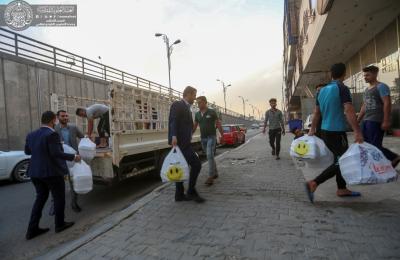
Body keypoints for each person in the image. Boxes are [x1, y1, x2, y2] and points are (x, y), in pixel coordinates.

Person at [305, 63, 363, 203]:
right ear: (344, 74)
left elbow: (316, 113)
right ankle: (314, 183)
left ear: (331, 74)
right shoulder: (342, 88)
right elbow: (348, 110)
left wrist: (312, 129)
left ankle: (341, 188)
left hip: (325, 130)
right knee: (343, 160)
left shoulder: (321, 91)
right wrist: (357, 131)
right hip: (337, 131)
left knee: (338, 159)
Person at [25, 111, 81, 240]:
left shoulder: (31, 134)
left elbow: (27, 151)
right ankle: (60, 224)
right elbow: (56, 154)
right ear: (53, 120)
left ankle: (32, 229)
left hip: (35, 172)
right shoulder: (52, 134)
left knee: (40, 199)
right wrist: (74, 157)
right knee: (59, 198)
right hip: (51, 173)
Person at [357, 65, 400, 168]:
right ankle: (374, 165)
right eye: (364, 75)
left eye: (368, 75)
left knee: (375, 145)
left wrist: (386, 120)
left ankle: (394, 157)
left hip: (376, 120)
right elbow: (364, 105)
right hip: (366, 120)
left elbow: (387, 103)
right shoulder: (367, 90)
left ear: (375, 74)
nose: (365, 77)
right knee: (365, 145)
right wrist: (358, 119)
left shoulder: (381, 87)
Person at [168, 86, 205, 203]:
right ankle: (190, 191)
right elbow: (173, 120)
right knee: (196, 164)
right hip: (180, 143)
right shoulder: (178, 104)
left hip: (184, 142)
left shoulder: (187, 108)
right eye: (194, 95)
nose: (194, 98)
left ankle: (179, 195)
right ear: (187, 94)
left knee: (180, 167)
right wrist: (173, 136)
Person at [55, 110, 84, 212]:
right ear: (58, 117)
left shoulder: (73, 127)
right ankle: (55, 205)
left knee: (73, 181)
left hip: (73, 158)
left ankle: (74, 203)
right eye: (63, 116)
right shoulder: (54, 129)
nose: (65, 118)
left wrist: (85, 147)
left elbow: (83, 137)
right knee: (57, 183)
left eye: (66, 116)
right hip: (60, 159)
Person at [193, 96, 224, 186]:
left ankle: (210, 177)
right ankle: (216, 172)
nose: (198, 104)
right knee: (209, 156)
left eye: (200, 102)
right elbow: (194, 127)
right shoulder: (197, 114)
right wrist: (189, 135)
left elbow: (218, 124)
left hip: (211, 137)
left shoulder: (212, 112)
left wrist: (222, 136)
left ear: (205, 102)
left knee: (209, 155)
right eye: (197, 103)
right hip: (203, 139)